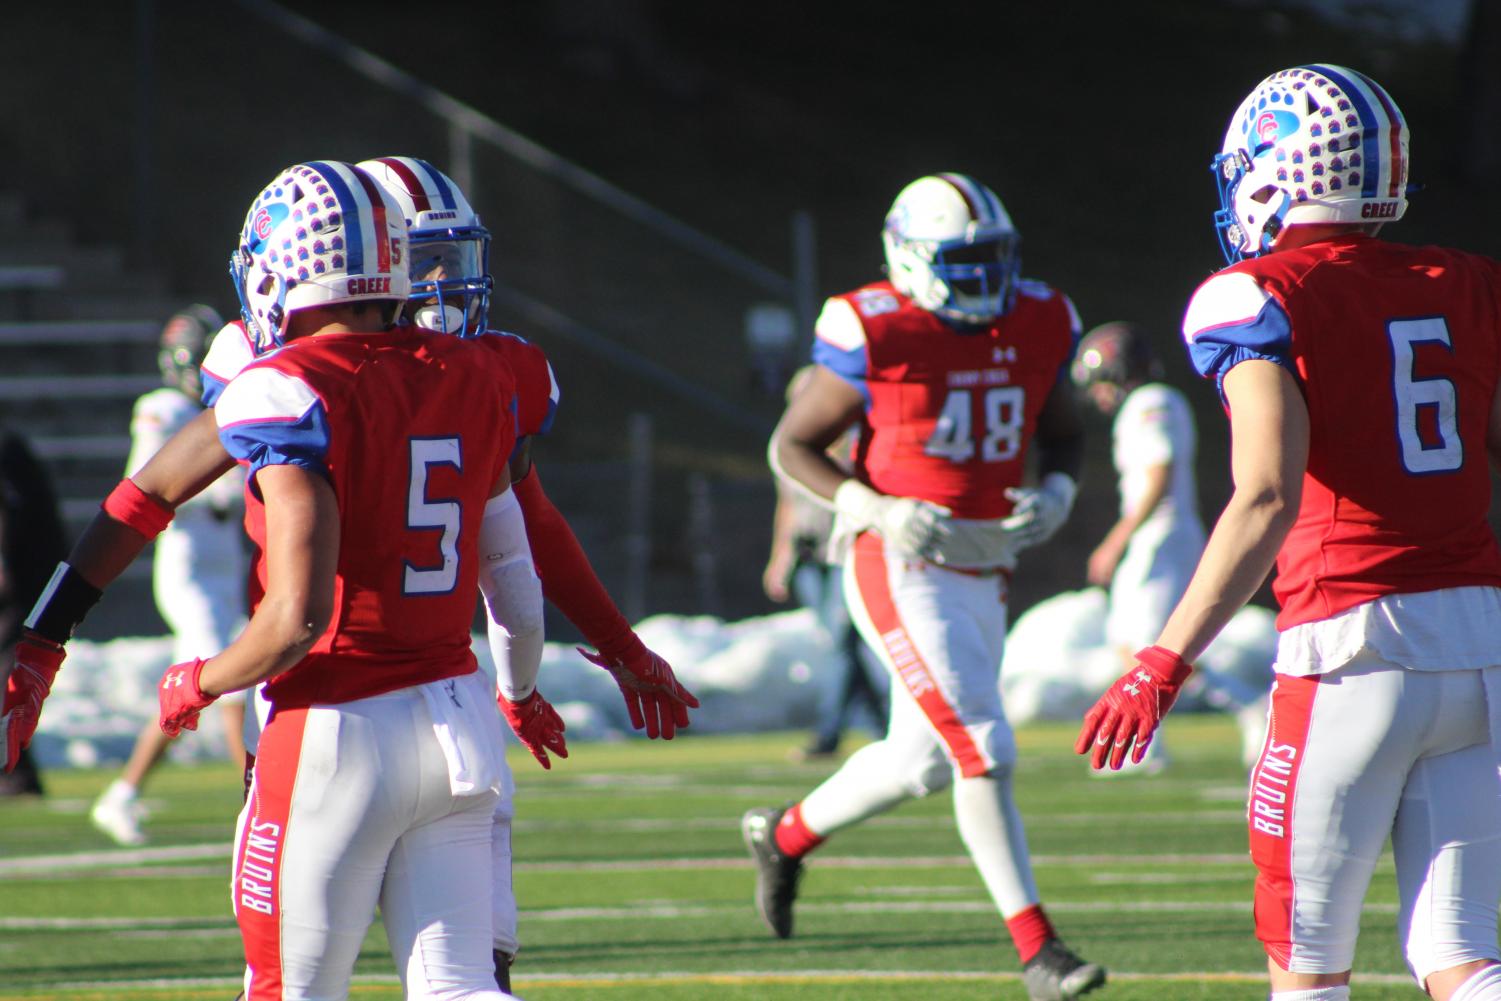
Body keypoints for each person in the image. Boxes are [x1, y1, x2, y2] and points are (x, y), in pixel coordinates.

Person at [4, 155, 695, 995]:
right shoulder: (489, 370)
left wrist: (170, 674)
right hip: (455, 722)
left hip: (330, 725)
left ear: (281, 267)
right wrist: (603, 654)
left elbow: (172, 517)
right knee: (467, 987)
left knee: (290, 988)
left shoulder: (282, 386)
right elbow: (517, 550)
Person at [1076, 64, 1501, 1001]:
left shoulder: (1254, 293)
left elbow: (1264, 494)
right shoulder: (1468, 283)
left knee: (1306, 969)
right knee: (1462, 958)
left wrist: (1161, 661)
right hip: (1480, 649)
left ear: (1276, 171)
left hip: (1347, 649)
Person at [745, 172, 1104, 1001]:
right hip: (897, 558)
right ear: (908, 260)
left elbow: (1063, 434)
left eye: (992, 261)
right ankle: (1039, 952)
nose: (983, 281)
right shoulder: (875, 324)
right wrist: (868, 501)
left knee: (920, 762)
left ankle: (784, 836)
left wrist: (1056, 492)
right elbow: (792, 445)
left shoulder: (1041, 315)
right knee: (983, 744)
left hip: (985, 561)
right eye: (961, 262)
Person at [90, 305, 249, 845]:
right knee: (232, 690)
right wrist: (220, 491)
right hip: (191, 571)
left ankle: (123, 793)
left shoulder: (225, 410)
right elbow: (145, 483)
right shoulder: (163, 408)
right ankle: (257, 802)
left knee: (206, 688)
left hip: (226, 569)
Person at [762, 365, 886, 761]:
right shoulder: (789, 442)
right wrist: (779, 556)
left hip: (843, 552)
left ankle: (829, 735)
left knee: (841, 644)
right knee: (841, 646)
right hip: (807, 555)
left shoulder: (850, 440)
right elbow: (788, 504)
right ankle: (882, 727)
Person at [0, 426, 67, 796]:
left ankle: (14, 773)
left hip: (20, 581)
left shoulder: (9, 449)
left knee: (10, 673)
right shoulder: (12, 446)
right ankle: (14, 772)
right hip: (25, 578)